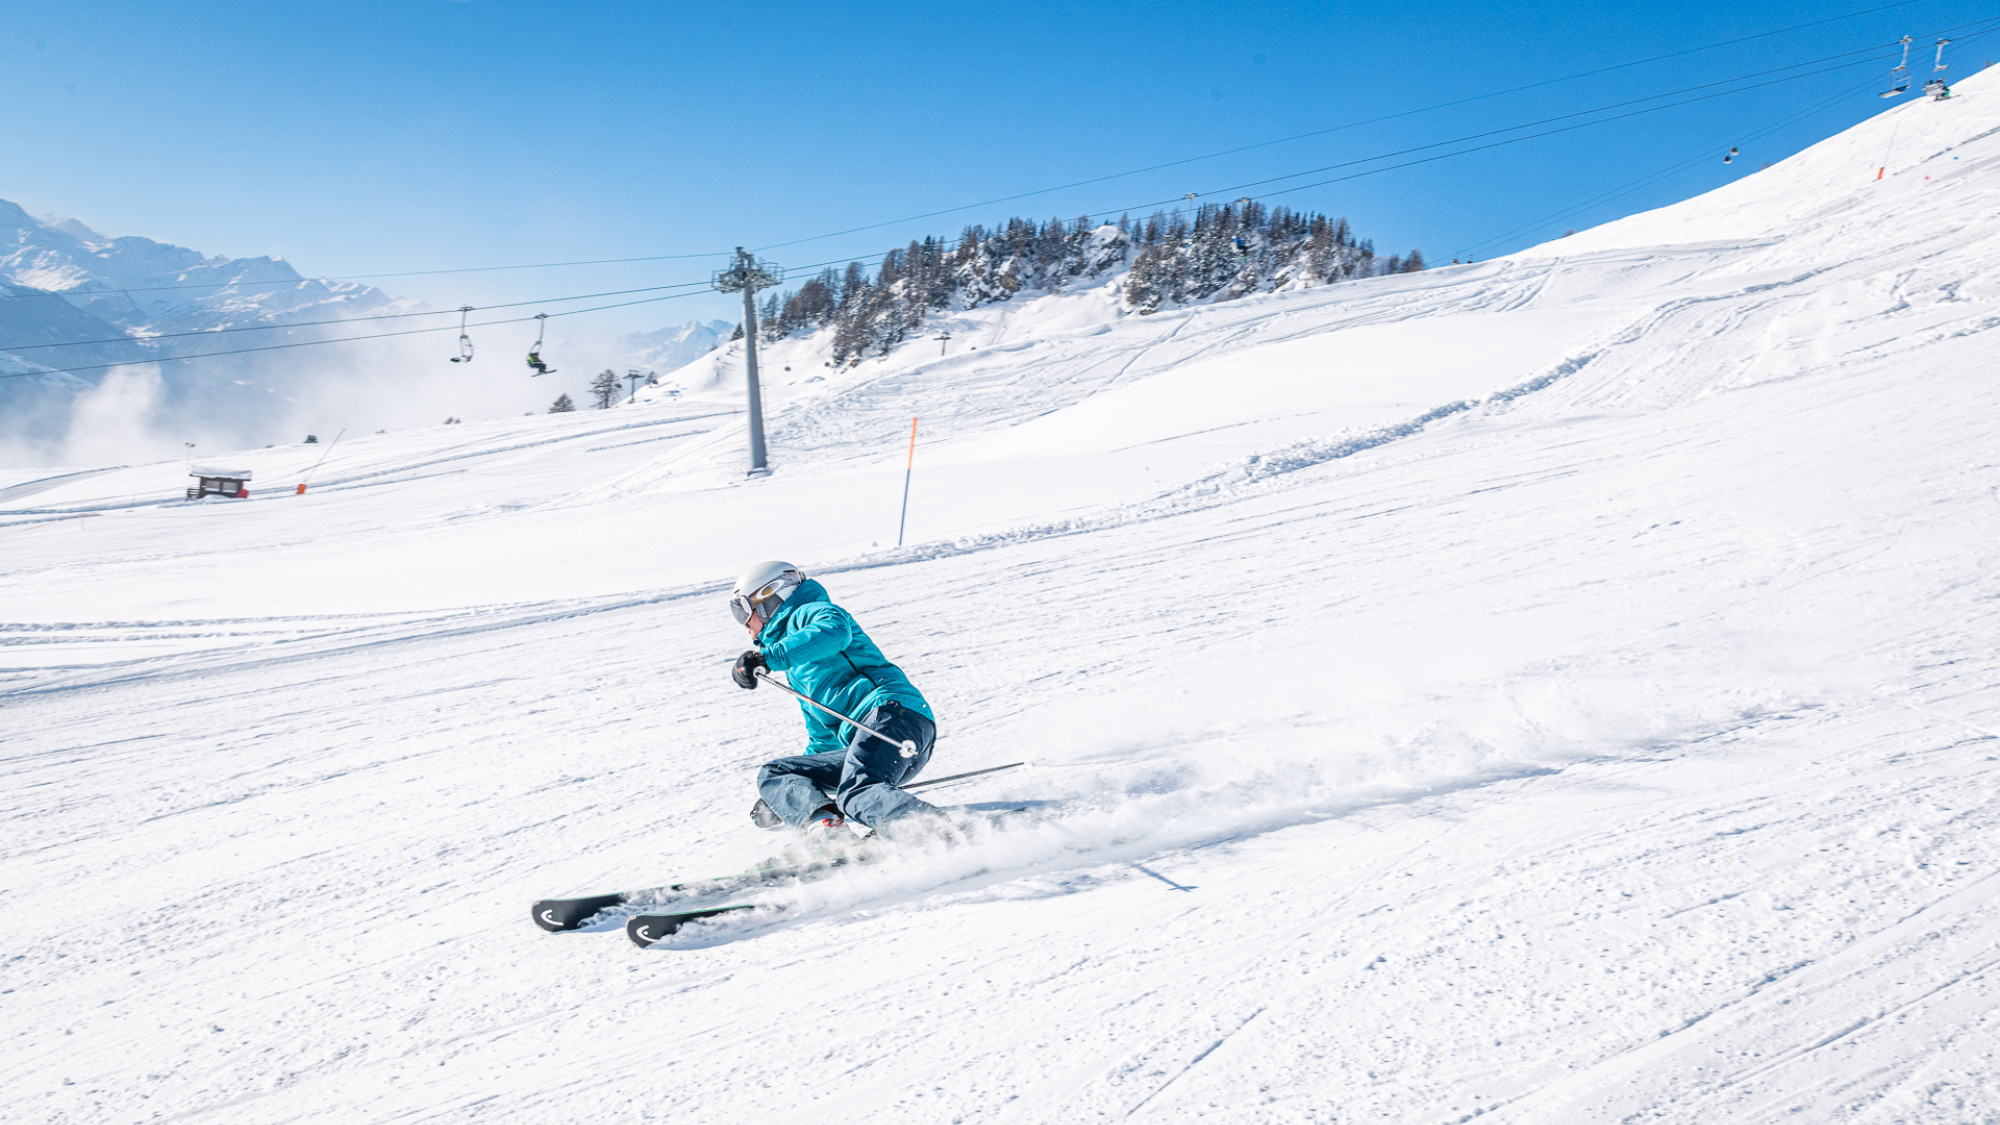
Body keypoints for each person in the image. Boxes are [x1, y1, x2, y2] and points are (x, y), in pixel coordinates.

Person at [728, 560, 945, 842]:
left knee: (856, 791)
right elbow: (823, 741)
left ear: (769, 598)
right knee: (775, 773)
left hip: (893, 717)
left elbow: (835, 632)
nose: (744, 624)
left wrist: (768, 658)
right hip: (872, 748)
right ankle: (829, 834)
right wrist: (789, 795)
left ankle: (930, 830)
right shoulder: (796, 670)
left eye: (743, 611)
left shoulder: (812, 612)